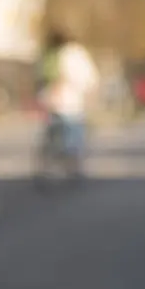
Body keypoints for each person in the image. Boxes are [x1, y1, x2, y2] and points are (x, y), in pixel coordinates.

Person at [37, 29, 99, 178]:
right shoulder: (75, 54)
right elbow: (89, 78)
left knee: (55, 129)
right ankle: (71, 162)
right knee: (74, 133)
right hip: (71, 101)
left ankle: (53, 156)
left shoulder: (53, 53)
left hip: (53, 99)